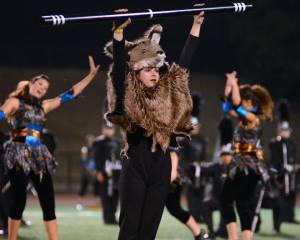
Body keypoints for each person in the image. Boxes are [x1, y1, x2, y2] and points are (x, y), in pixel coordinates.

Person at [104, 8, 205, 240]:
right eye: (147, 69)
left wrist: (196, 24)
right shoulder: (127, 94)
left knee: (149, 230)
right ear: (137, 71)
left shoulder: (167, 93)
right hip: (135, 164)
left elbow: (184, 65)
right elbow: (120, 68)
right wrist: (118, 32)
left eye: (156, 69)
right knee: (130, 228)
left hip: (161, 165)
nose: (154, 73)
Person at [0, 56, 99, 240]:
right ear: (31, 84)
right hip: (18, 152)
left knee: (48, 201)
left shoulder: (43, 107)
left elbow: (69, 94)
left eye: (45, 88)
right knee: (19, 200)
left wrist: (91, 75)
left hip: (38, 155)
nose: (42, 89)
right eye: (39, 84)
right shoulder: (15, 102)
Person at [220, 71, 274, 240]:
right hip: (244, 167)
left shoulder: (253, 118)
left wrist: (236, 85)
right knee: (238, 203)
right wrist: (229, 85)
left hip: (246, 167)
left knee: (232, 201)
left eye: (243, 101)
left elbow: (236, 106)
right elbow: (227, 107)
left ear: (249, 102)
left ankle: (235, 238)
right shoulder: (247, 117)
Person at [93, 121, 121, 224]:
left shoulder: (117, 142)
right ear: (103, 130)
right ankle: (107, 218)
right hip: (104, 172)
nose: (108, 131)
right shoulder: (98, 142)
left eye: (110, 129)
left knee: (115, 194)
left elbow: (119, 158)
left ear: (113, 130)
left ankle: (113, 217)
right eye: (106, 129)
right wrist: (98, 172)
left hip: (116, 173)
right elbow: (96, 158)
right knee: (105, 195)